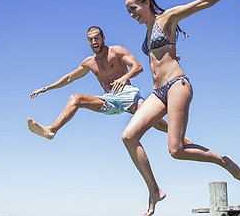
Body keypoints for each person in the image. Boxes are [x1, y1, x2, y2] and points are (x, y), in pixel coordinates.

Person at [122, 0, 240, 216]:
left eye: (134, 8)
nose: (131, 14)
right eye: (128, 11)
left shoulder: (167, 19)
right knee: (128, 137)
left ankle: (222, 160)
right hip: (157, 92)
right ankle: (154, 191)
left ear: (146, 2)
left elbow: (204, 1)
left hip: (177, 86)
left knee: (176, 150)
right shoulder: (147, 31)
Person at [27, 26, 189, 142]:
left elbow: (137, 67)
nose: (94, 42)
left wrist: (125, 77)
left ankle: (178, 136)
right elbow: (69, 78)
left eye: (96, 38)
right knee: (75, 98)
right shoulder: (89, 62)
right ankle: (51, 130)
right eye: (90, 40)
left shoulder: (117, 51)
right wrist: (46, 88)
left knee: (152, 120)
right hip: (110, 99)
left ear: (103, 38)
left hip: (128, 94)